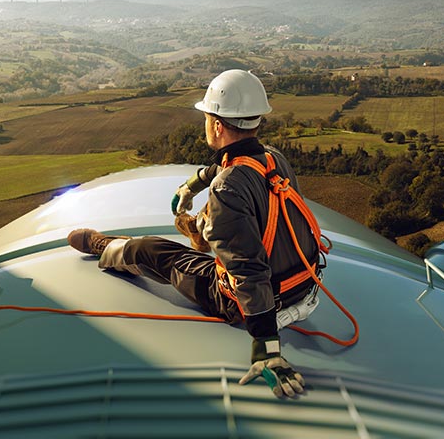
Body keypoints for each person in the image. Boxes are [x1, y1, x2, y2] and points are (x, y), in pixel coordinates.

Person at [67, 69, 321, 399]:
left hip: (256, 304)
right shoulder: (273, 158)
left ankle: (106, 247)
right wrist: (193, 184)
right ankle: (202, 230)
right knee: (216, 227)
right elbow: (230, 165)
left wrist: (267, 348)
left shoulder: (227, 189)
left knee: (152, 250)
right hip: (305, 286)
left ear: (216, 124)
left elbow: (249, 271)